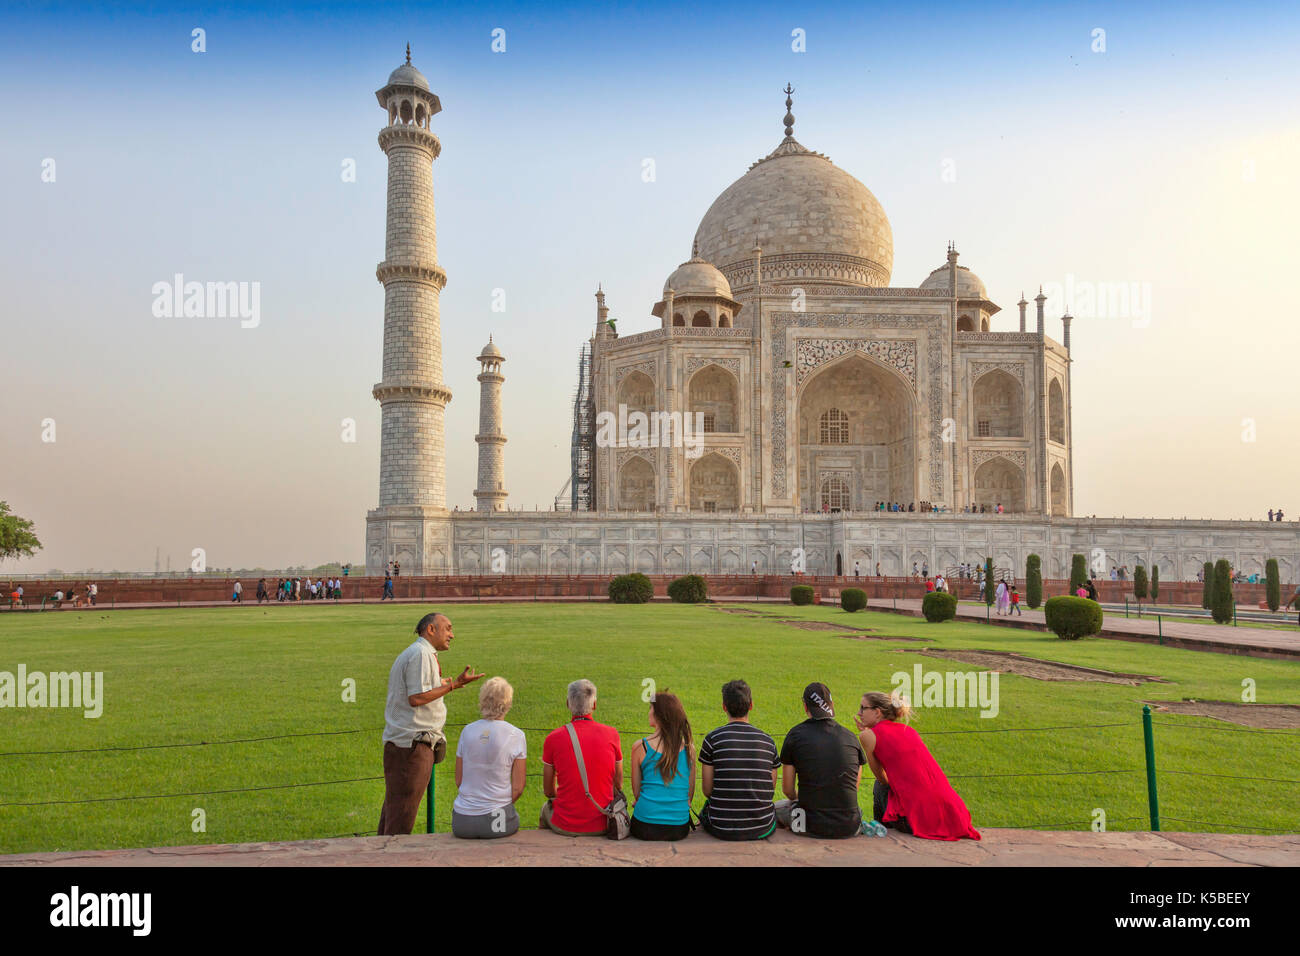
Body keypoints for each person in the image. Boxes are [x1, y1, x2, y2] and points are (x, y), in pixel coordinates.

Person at [379, 612, 483, 836]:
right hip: (412, 746)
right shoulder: (421, 654)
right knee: (400, 819)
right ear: (431, 630)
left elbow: (421, 688)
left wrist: (444, 683)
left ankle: (382, 855)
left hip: (407, 745)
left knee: (395, 811)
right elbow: (416, 698)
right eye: (448, 628)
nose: (452, 635)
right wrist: (454, 685)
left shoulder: (419, 653)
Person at [856, 691, 980, 841]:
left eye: (863, 708)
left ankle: (881, 830)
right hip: (955, 818)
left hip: (917, 821)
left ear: (877, 712)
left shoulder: (867, 736)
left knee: (879, 786)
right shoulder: (909, 731)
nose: (859, 713)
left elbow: (882, 779)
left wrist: (867, 734)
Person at [775, 682, 865, 839]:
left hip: (808, 826)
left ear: (805, 706)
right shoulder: (851, 737)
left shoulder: (795, 735)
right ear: (832, 705)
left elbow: (788, 790)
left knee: (776, 809)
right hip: (850, 826)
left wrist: (803, 800)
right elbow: (853, 787)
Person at [698, 679, 780, 841]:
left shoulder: (712, 739)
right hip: (762, 826)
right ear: (751, 705)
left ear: (724, 707)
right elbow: (769, 788)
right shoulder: (767, 741)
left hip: (721, 827)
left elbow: (707, 790)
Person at [540, 679, 623, 836]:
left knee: (545, 809)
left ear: (568, 704)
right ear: (594, 705)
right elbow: (618, 784)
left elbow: (548, 791)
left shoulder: (553, 738)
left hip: (565, 824)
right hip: (604, 822)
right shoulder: (612, 734)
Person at [452, 677, 526, 839]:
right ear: (508, 703)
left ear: (483, 700)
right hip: (497, 820)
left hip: (462, 821)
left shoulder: (467, 731)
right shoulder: (516, 735)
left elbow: (459, 780)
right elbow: (518, 788)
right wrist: (497, 805)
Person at [629, 691, 695, 841]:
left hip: (644, 826)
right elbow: (689, 795)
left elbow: (637, 793)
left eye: (651, 708)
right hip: (679, 828)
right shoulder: (689, 748)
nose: (649, 712)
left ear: (659, 715)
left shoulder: (640, 747)